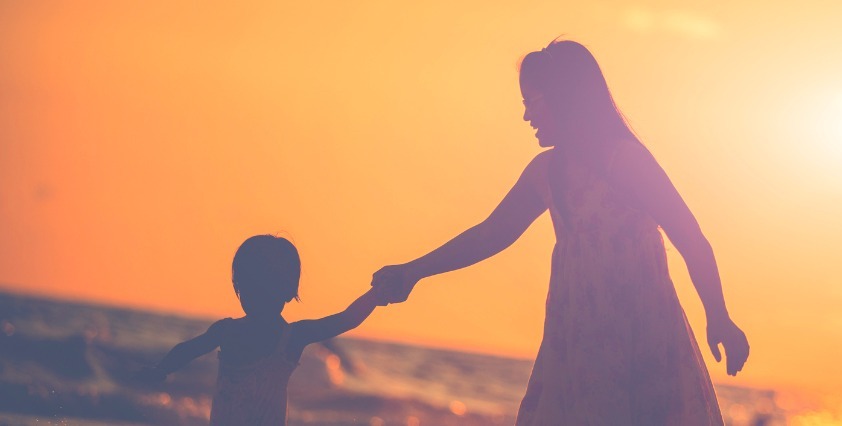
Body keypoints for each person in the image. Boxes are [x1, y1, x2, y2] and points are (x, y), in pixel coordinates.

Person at [372, 39, 749, 425]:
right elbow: (490, 234)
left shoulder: (625, 160)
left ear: (564, 99)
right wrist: (412, 271)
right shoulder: (546, 173)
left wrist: (718, 315)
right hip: (577, 349)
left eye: (531, 101)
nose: (525, 116)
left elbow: (690, 238)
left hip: (643, 341)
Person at [138, 234, 390, 425]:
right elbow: (188, 349)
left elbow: (345, 320)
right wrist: (162, 368)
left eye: (264, 287)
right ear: (239, 287)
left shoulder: (291, 338)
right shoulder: (226, 331)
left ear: (288, 291)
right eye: (248, 286)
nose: (255, 295)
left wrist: (375, 295)